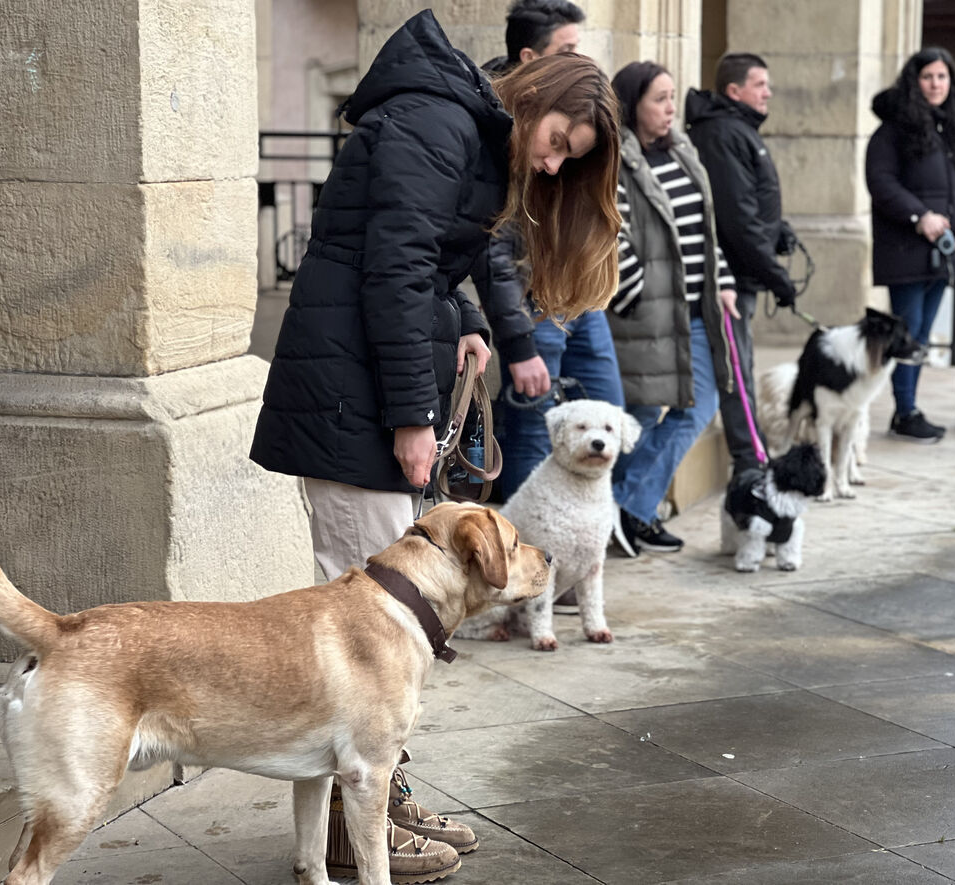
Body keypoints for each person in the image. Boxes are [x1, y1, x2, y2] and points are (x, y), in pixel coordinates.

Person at [248, 9, 621, 878]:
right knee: (371, 636)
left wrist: (462, 323)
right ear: (535, 95)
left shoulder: (461, 122)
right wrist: (414, 417)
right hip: (354, 396)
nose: (554, 162)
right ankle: (355, 828)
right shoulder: (439, 118)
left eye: (570, 157)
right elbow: (394, 263)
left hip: (365, 385)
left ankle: (382, 794)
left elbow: (426, 268)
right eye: (560, 140)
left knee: (382, 627)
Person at [474, 0, 625, 506]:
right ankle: (523, 551)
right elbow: (492, 247)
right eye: (568, 51)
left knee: (607, 412)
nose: (582, 62)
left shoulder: (572, 125)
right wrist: (518, 341)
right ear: (531, 58)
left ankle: (578, 538)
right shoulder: (496, 128)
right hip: (531, 300)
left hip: (569, 292)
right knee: (535, 427)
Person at [606, 60, 737, 557]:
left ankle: (629, 506)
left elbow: (705, 231)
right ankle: (629, 510)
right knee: (637, 414)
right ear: (632, 105)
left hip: (694, 311)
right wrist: (635, 293)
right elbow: (610, 234)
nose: (669, 108)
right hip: (646, 313)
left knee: (696, 404)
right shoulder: (618, 158)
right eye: (659, 99)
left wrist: (721, 282)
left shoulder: (682, 150)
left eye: (671, 97)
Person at [686, 52, 799, 475]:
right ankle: (751, 463)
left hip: (745, 274)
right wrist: (775, 274)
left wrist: (778, 230)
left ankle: (753, 456)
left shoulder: (739, 130)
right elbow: (735, 218)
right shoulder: (723, 133)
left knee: (742, 366)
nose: (768, 92)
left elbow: (754, 205)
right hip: (728, 277)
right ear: (734, 91)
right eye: (760, 84)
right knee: (736, 371)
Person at [865, 47, 955, 443]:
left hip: (944, 249)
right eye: (927, 77)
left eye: (942, 77)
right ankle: (904, 410)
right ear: (914, 83)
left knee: (923, 330)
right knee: (908, 330)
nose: (936, 84)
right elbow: (881, 182)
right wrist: (920, 217)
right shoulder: (893, 130)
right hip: (906, 245)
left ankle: (908, 406)